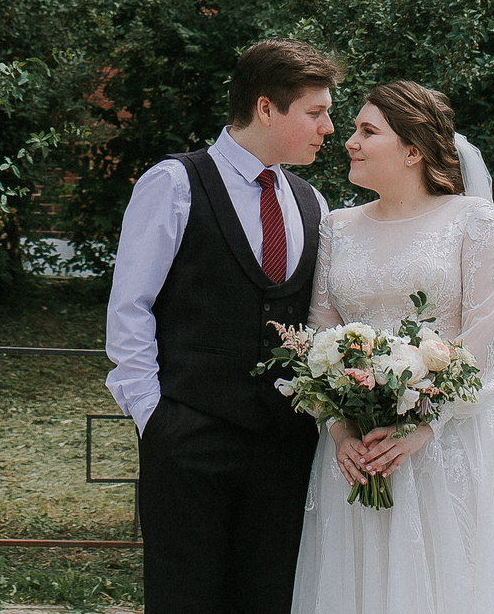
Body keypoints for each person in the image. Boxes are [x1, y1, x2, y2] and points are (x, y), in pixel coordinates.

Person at [290, 81, 494, 614]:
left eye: (369, 131)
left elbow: (492, 337)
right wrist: (342, 433)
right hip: (359, 455)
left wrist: (421, 427)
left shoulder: (470, 221)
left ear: (413, 150)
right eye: (354, 129)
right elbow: (317, 339)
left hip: (448, 446)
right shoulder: (337, 228)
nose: (350, 141)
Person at [105, 38, 342, 614]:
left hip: (283, 447)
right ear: (266, 108)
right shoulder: (176, 183)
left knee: (269, 598)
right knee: (185, 597)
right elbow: (129, 306)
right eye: (316, 112)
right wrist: (155, 417)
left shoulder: (312, 203)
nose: (328, 128)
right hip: (189, 435)